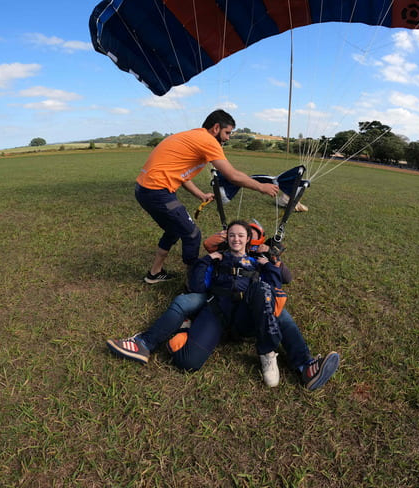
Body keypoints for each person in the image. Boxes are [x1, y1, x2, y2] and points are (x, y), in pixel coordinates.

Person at [107, 221, 340, 391]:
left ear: (249, 239)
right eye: (232, 236)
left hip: (248, 316)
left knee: (272, 302)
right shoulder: (217, 258)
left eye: (242, 236)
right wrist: (208, 259)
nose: (236, 239)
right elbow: (197, 284)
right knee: (188, 362)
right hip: (217, 312)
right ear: (227, 238)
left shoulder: (259, 261)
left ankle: (303, 365)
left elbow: (285, 278)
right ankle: (167, 336)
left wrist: (273, 259)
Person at [135, 109, 279, 284]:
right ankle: (195, 280)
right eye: (227, 133)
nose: (227, 138)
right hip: (156, 191)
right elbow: (232, 175)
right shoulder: (207, 140)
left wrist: (200, 194)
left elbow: (182, 175)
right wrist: (261, 187)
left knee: (174, 230)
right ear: (216, 128)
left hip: (145, 190)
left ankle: (154, 273)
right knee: (192, 234)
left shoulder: (194, 136)